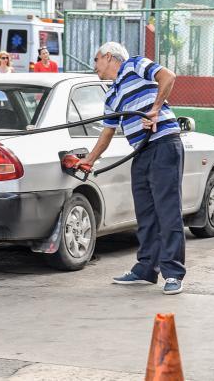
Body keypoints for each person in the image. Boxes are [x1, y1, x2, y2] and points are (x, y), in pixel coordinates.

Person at [76, 42, 185, 295]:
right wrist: (89, 160)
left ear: (109, 57)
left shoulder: (135, 65)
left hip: (164, 144)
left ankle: (173, 273)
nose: (94, 66)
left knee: (167, 212)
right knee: (145, 214)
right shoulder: (112, 95)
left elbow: (168, 76)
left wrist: (156, 108)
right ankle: (146, 269)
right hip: (141, 151)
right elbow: (106, 133)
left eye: (96, 60)